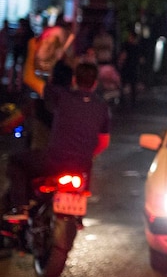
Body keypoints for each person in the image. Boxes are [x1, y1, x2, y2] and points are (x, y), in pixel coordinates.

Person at [3, 36, 111, 220]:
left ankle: (20, 207)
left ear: (75, 80)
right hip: (83, 168)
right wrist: (86, 153)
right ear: (94, 83)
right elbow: (103, 143)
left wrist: (31, 48)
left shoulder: (61, 96)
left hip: (54, 162)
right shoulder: (102, 107)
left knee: (15, 161)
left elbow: (29, 77)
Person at [118, 30, 143, 107]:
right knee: (127, 84)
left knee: (131, 84)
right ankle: (126, 99)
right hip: (129, 67)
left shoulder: (133, 46)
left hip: (130, 67)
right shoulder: (128, 46)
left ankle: (131, 100)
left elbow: (123, 56)